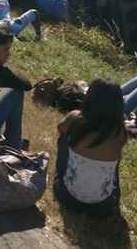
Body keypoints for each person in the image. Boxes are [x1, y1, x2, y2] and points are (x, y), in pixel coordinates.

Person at [54, 79, 126, 217]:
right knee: (114, 159)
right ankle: (112, 194)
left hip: (68, 197)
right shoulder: (120, 131)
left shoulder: (75, 118)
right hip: (103, 206)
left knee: (63, 137)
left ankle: (64, 176)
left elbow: (60, 128)